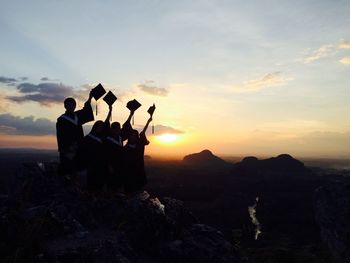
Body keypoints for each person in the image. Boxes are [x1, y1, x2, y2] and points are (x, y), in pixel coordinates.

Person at [56, 92, 94, 177]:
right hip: (68, 148)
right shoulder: (61, 120)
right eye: (68, 105)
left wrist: (90, 98)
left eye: (72, 105)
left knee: (76, 168)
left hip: (78, 146)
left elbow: (86, 110)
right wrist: (67, 148)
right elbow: (60, 136)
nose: (70, 106)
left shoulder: (78, 115)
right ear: (65, 106)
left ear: (75, 106)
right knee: (67, 169)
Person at [104, 106, 135, 192]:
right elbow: (106, 154)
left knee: (118, 180)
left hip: (120, 163)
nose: (117, 130)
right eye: (115, 129)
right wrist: (109, 165)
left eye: (118, 129)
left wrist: (131, 114)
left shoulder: (120, 137)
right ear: (111, 129)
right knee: (111, 181)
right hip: (111, 163)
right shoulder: (108, 140)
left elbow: (127, 125)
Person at [122, 116, 152, 193]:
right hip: (128, 172)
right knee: (129, 190)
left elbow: (143, 133)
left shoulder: (139, 145)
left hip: (139, 170)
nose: (132, 137)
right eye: (131, 136)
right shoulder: (125, 148)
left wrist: (148, 121)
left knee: (138, 190)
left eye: (134, 136)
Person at [77, 120, 107, 193]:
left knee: (99, 182)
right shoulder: (88, 138)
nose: (100, 129)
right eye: (99, 127)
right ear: (95, 127)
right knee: (91, 182)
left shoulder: (103, 139)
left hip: (100, 164)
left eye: (102, 128)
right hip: (90, 163)